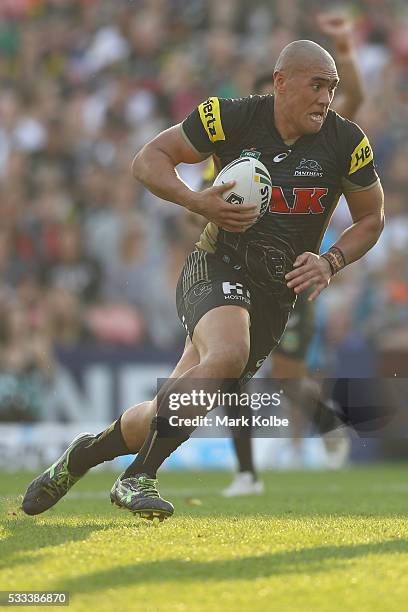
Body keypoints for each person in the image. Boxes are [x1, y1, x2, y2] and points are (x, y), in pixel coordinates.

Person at [22, 39, 384, 522]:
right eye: (316, 85)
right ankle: (137, 479)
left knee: (166, 410)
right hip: (216, 264)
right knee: (227, 354)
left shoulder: (346, 141)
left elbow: (371, 217)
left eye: (332, 88)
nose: (326, 98)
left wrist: (331, 261)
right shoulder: (229, 117)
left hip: (276, 296)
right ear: (280, 82)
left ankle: (83, 454)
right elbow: (148, 159)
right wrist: (198, 202)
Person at [223, 12, 366, 496]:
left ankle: (327, 422)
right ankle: (246, 473)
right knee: (230, 371)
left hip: (292, 277)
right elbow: (207, 205)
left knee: (287, 380)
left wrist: (345, 54)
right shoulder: (241, 147)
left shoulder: (325, 131)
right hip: (240, 270)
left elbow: (354, 101)